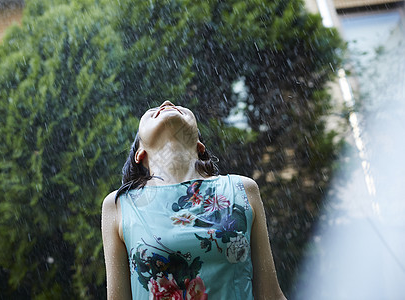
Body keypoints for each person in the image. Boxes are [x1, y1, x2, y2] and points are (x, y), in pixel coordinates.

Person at [102, 100, 286, 299]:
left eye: (176, 107)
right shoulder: (120, 205)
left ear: (200, 146)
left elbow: (271, 295)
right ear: (140, 154)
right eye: (153, 111)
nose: (167, 103)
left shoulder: (242, 190)